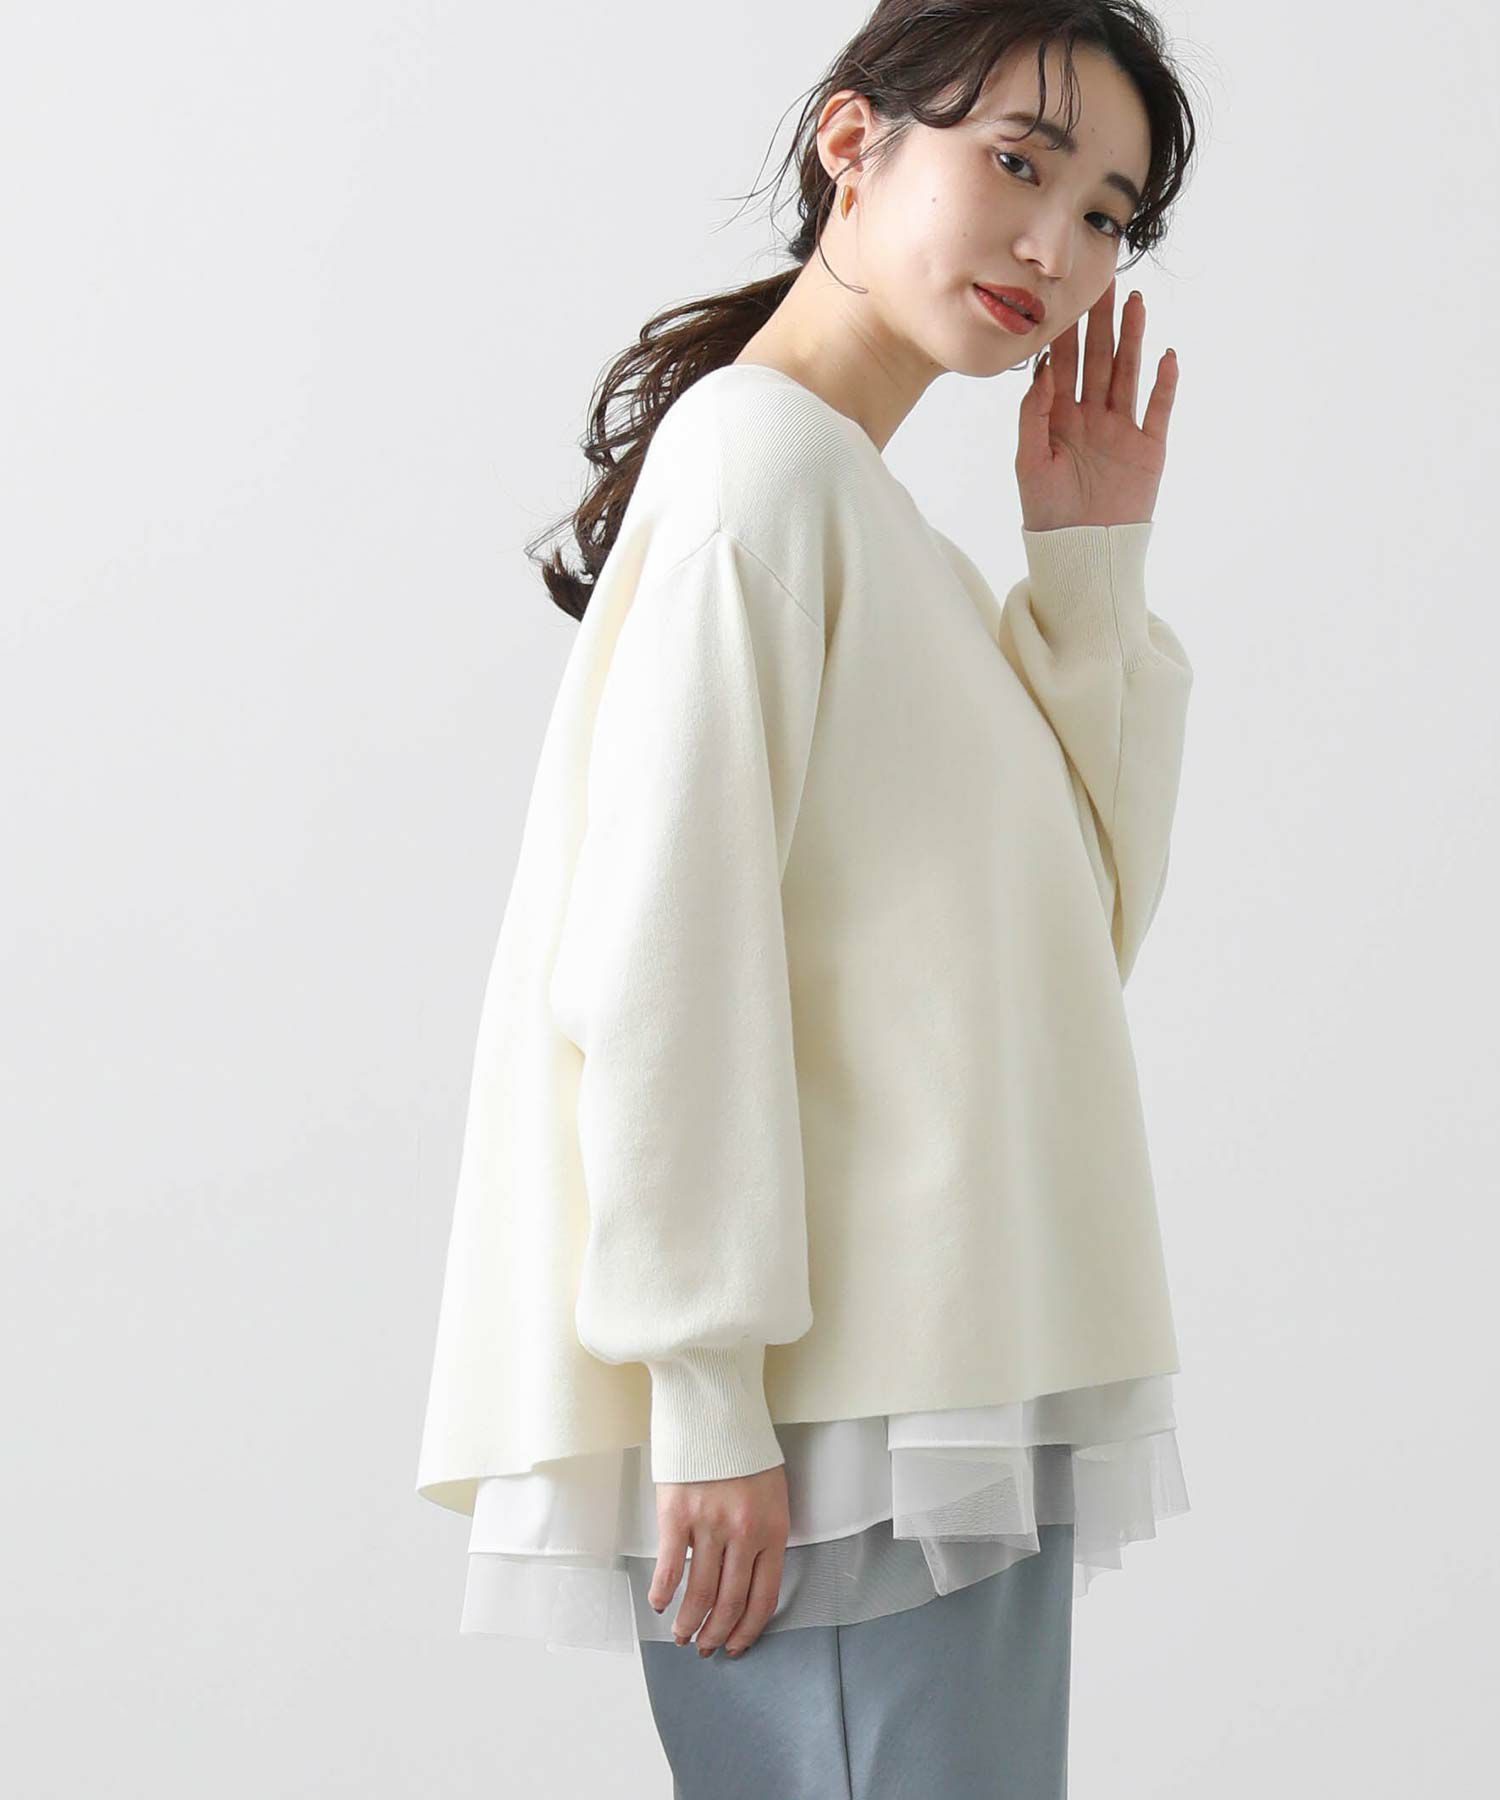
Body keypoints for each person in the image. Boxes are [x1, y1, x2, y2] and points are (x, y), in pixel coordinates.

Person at [416, 2, 1203, 1791]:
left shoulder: (872, 524)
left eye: (1105, 214)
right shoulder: (757, 469)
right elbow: (662, 960)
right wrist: (704, 1398)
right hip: (829, 1431)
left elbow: (1071, 957)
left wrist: (1087, 566)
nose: (1055, 248)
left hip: (932, 1398)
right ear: (853, 143)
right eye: (1019, 163)